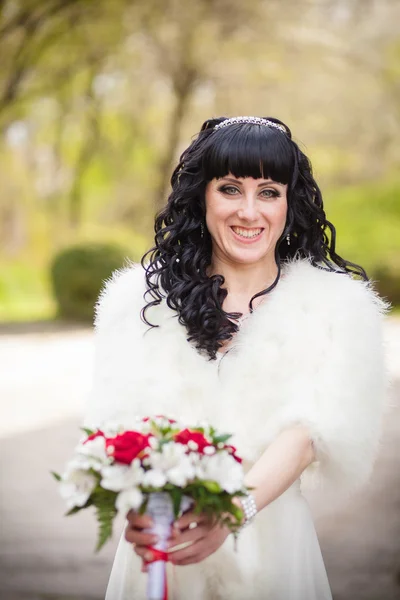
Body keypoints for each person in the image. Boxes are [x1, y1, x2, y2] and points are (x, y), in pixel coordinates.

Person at [84, 116, 390, 600]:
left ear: (291, 203)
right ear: (201, 197)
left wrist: (232, 513)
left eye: (269, 191)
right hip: (165, 550)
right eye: (230, 188)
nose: (250, 212)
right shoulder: (136, 304)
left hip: (275, 548)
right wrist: (138, 508)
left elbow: (311, 431)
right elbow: (118, 425)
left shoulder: (337, 307)